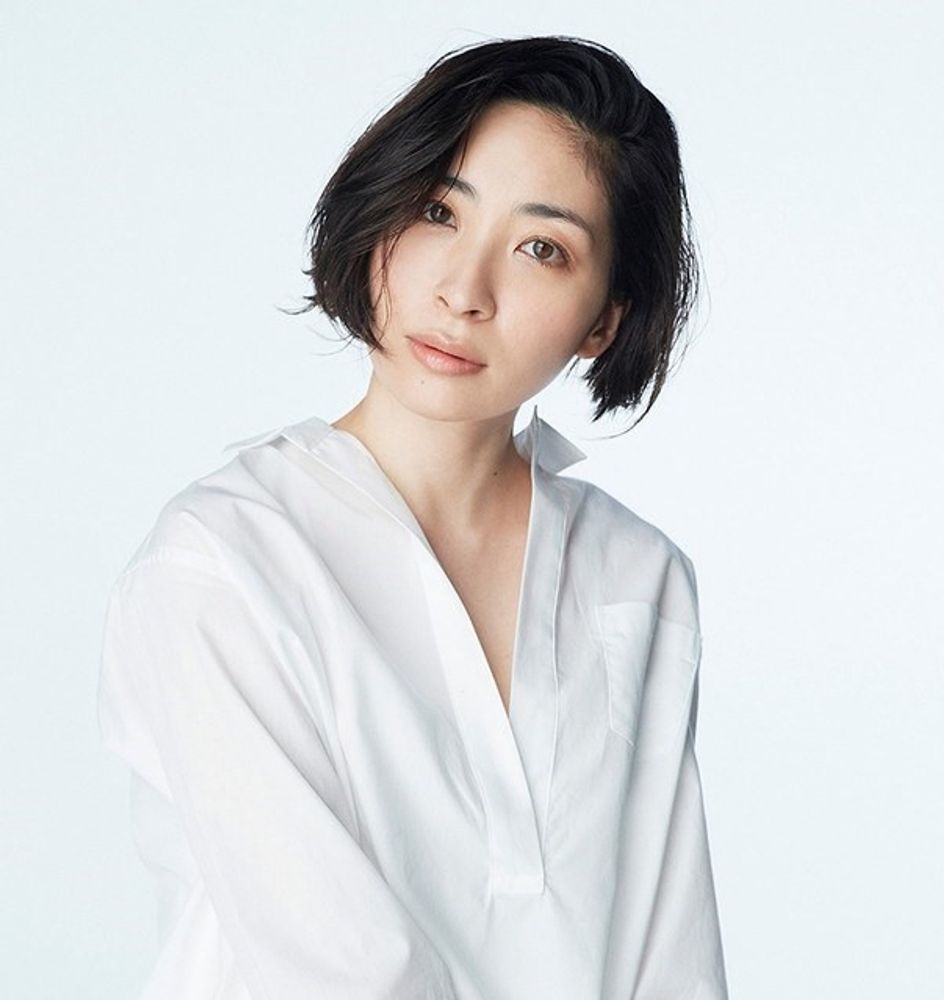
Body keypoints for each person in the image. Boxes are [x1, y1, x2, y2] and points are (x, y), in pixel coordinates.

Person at [97, 34, 729, 1000]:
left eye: (542, 249)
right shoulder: (224, 563)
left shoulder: (637, 580)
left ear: (605, 318)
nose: (463, 292)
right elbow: (338, 969)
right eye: (439, 211)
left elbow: (670, 955)